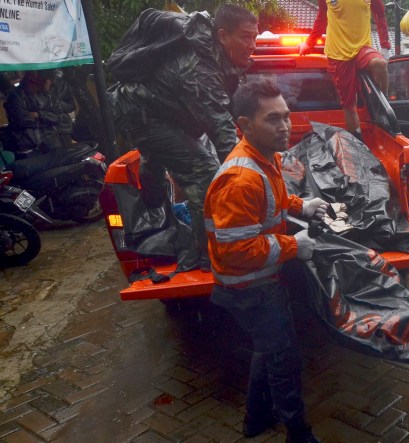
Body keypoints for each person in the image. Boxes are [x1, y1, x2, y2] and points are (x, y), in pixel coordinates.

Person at [204, 79, 327, 442]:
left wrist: (303, 205)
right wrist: (294, 245)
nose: (285, 126)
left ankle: (256, 420)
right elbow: (237, 251)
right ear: (243, 124)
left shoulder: (264, 158)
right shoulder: (241, 179)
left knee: (269, 346)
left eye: (286, 117)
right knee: (284, 359)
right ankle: (297, 433)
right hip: (248, 287)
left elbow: (272, 201)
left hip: (259, 280)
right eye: (272, 119)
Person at [109, 4, 258, 270]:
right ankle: (208, 255)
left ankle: (151, 165)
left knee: (183, 154)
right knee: (205, 175)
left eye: (255, 37)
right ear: (223, 36)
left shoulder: (217, 56)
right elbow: (222, 134)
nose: (253, 45)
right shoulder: (200, 68)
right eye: (246, 37)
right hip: (144, 116)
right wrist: (250, 180)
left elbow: (228, 114)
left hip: (164, 111)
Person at [298, 0, 391, 139]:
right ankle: (358, 144)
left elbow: (380, 14)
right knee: (349, 105)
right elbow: (322, 17)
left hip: (362, 48)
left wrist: (385, 46)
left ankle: (382, 109)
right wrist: (309, 43)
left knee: (380, 64)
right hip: (338, 55)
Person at [3, 70, 65, 153]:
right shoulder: (16, 96)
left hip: (50, 144)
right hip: (26, 146)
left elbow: (59, 118)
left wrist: (39, 114)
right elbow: (21, 120)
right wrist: (48, 119)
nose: (48, 82)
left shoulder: (49, 95)